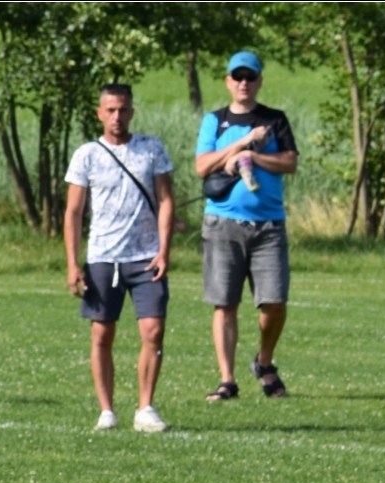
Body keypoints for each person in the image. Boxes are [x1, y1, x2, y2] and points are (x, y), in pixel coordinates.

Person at [63, 83, 175, 433]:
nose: (117, 116)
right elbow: (74, 211)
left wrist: (164, 250)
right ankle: (107, 410)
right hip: (103, 257)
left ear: (132, 112)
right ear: (99, 113)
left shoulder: (151, 148)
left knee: (153, 330)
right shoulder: (87, 155)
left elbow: (166, 200)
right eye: (110, 110)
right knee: (102, 334)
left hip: (146, 257)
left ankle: (145, 407)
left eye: (123, 109)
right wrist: (72, 262)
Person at [195, 50, 298, 402]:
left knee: (275, 302)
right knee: (225, 303)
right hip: (222, 224)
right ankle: (227, 380)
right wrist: (240, 145)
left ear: (259, 81)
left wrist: (254, 156)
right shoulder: (215, 121)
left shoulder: (274, 120)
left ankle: (264, 361)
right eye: (237, 77)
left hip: (269, 225)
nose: (244, 83)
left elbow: (290, 162)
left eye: (250, 77)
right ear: (228, 81)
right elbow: (202, 167)